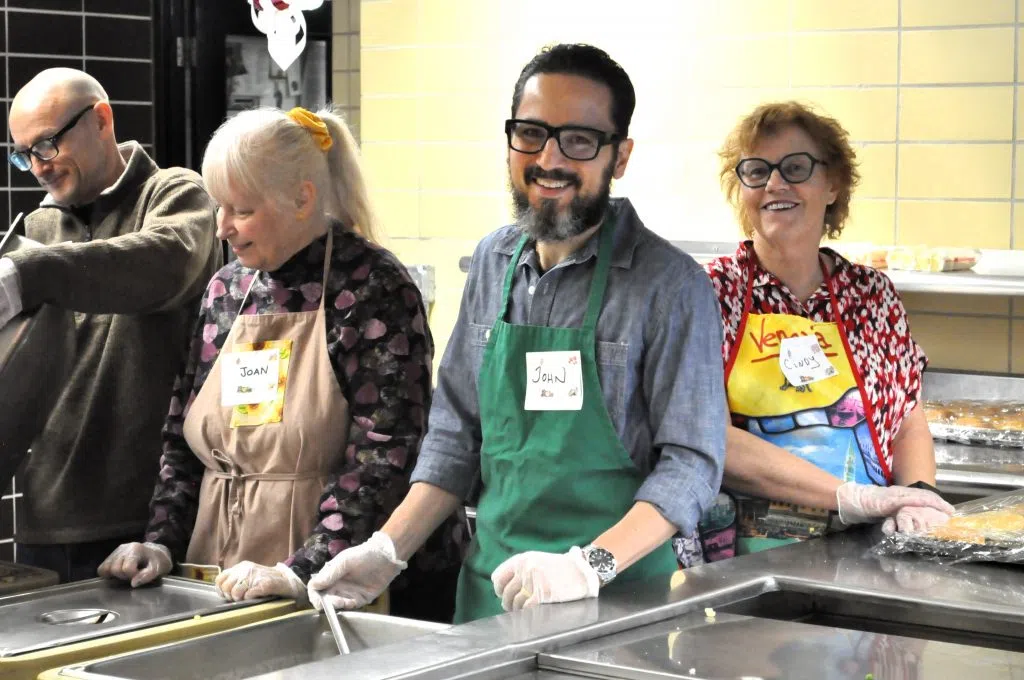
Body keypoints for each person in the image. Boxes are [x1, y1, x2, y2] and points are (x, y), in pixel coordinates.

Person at [304, 44, 726, 623]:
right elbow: (455, 436)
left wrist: (588, 566)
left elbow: (692, 465)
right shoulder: (492, 261)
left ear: (619, 156)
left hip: (624, 604)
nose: (548, 158)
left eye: (579, 140)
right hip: (492, 599)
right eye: (530, 133)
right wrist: (387, 549)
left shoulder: (671, 287)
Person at [98, 106, 466, 623]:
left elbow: (387, 454)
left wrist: (304, 567)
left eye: (241, 211)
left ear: (301, 199)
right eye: (217, 208)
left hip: (345, 586)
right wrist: (160, 544)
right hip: (224, 578)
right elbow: (183, 437)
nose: (223, 228)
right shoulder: (227, 290)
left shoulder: (372, 287)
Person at [690, 101, 952, 562]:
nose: (774, 183)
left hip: (864, 552)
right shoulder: (711, 295)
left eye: (795, 167)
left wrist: (917, 496)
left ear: (832, 184)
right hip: (744, 563)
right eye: (756, 170)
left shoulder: (870, 296)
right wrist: (850, 496)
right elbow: (706, 437)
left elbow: (906, 420)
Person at [0, 68, 221, 581]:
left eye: (48, 145)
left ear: (101, 120)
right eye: (24, 153)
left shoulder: (174, 195)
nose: (37, 168)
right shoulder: (37, 228)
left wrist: (30, 272)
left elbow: (164, 263)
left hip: (147, 519)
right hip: (45, 519)